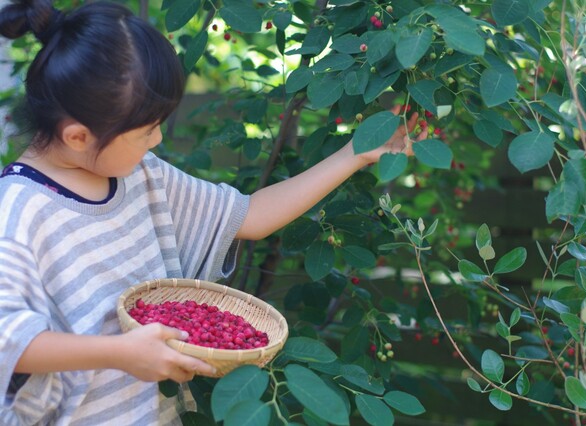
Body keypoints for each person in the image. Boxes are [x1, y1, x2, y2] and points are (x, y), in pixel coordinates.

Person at [0, 0, 427, 424]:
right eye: (146, 130)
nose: (158, 139)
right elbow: (8, 339)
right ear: (78, 136)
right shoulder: (17, 212)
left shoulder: (142, 175)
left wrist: (355, 152)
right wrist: (120, 354)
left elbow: (252, 216)